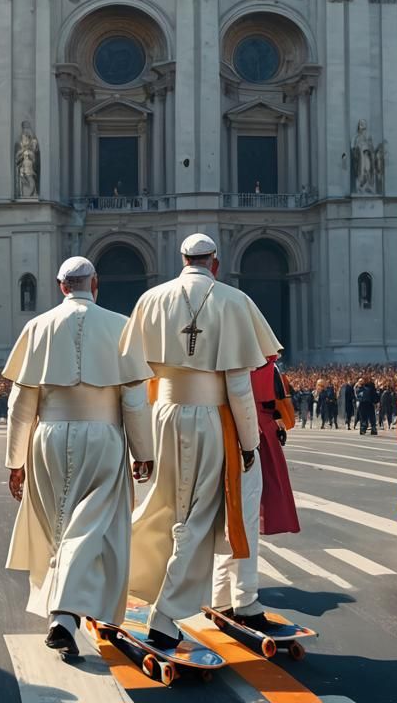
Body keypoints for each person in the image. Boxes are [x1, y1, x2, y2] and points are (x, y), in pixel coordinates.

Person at [123, 234, 274, 650]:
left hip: (162, 415)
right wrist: (248, 444)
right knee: (198, 516)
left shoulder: (151, 299)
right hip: (210, 419)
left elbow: (135, 378)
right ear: (215, 264)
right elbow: (240, 388)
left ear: (184, 259)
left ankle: (118, 574)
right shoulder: (232, 301)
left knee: (163, 506)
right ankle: (165, 615)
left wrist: (139, 443)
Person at [3, 256, 154, 657]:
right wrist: (144, 451)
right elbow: (135, 401)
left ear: (60, 285)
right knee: (90, 528)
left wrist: (14, 461)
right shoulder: (122, 326)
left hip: (48, 437)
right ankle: (66, 614)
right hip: (104, 436)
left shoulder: (36, 327)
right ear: (96, 283)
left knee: (60, 528)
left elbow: (21, 403)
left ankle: (63, 612)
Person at [210, 358, 296, 634]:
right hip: (247, 435)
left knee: (226, 520)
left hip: (208, 430)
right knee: (245, 519)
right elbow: (283, 414)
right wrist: (250, 445)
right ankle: (245, 602)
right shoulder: (264, 367)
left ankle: (221, 598)